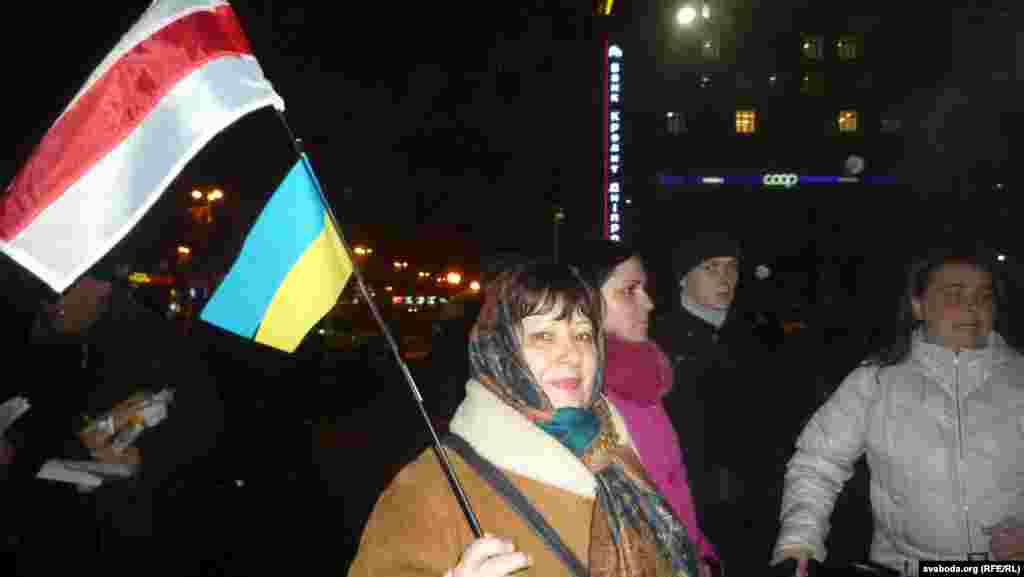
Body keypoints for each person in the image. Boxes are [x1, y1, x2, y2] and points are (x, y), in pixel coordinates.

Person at [348, 261, 700, 577]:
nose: (572, 355)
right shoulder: (432, 486)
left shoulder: (617, 449)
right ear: (501, 353)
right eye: (544, 336)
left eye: (583, 335)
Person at [770, 246, 1024, 576]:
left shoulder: (1018, 378)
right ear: (918, 305)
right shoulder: (876, 380)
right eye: (954, 295)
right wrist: (798, 544)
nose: (972, 307)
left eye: (984, 296)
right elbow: (817, 464)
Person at [12, 267, 224, 573]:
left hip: (126, 528)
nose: (50, 305)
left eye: (60, 294)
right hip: (84, 517)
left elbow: (201, 421)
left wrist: (145, 457)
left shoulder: (141, 341)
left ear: (100, 288)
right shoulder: (68, 338)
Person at [571, 239, 721, 577]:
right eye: (629, 291)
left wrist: (701, 554)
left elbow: (674, 489)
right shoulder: (582, 398)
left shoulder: (642, 379)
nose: (648, 303)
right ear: (584, 300)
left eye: (645, 289)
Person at [651, 232, 785, 570]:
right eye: (711, 267)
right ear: (683, 278)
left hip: (757, 503)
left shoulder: (760, 334)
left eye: (731, 267)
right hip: (688, 502)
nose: (724, 278)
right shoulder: (657, 339)